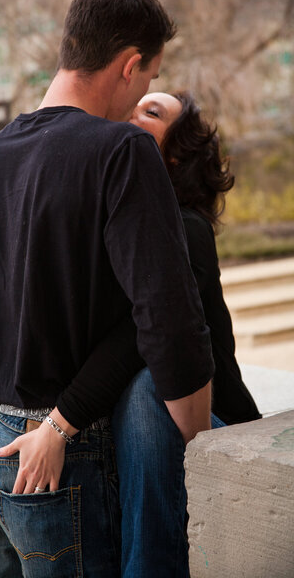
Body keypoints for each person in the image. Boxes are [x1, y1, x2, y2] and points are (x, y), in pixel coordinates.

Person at [0, 0, 214, 577]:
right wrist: (194, 445)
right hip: (58, 460)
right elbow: (168, 319)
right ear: (129, 65)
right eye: (149, 77)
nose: (145, 90)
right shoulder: (121, 150)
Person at [109, 91, 262, 576]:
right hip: (153, 426)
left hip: (215, 422)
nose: (132, 112)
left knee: (148, 384)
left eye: (150, 113)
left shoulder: (184, 228)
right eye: (133, 104)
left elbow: (144, 339)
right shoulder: (116, 214)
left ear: (175, 154)